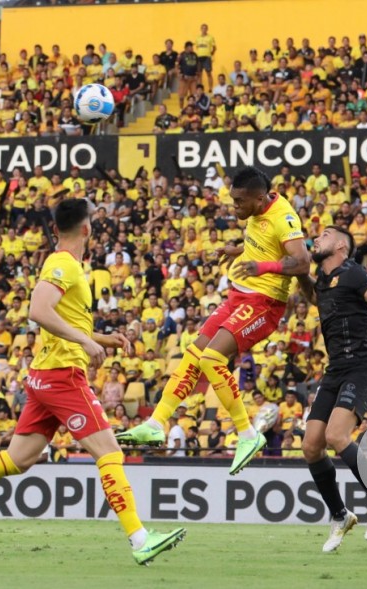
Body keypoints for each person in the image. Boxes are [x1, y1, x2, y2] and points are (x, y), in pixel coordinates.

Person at [0, 198, 185, 566]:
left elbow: (65, 320)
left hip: (44, 375)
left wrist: (101, 338)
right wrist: (87, 342)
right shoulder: (62, 264)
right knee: (111, 454)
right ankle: (140, 539)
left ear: (56, 228)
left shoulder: (67, 266)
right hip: (62, 376)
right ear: (87, 228)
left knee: (18, 459)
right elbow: (38, 312)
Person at [117, 166, 310, 475]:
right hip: (239, 296)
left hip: (265, 303)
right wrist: (237, 249)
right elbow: (261, 240)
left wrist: (262, 267)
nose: (234, 208)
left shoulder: (283, 216)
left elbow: (302, 262)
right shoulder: (259, 211)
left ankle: (248, 435)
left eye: (239, 202)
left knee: (211, 358)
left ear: (260, 200)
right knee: (193, 354)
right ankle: (155, 424)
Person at [298, 225, 367, 551]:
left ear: (341, 245)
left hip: (362, 368)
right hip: (335, 371)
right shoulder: (324, 279)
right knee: (311, 446)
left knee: (336, 436)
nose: (317, 237)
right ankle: (340, 515)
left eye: (324, 234)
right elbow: (313, 294)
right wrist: (298, 271)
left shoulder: (354, 273)